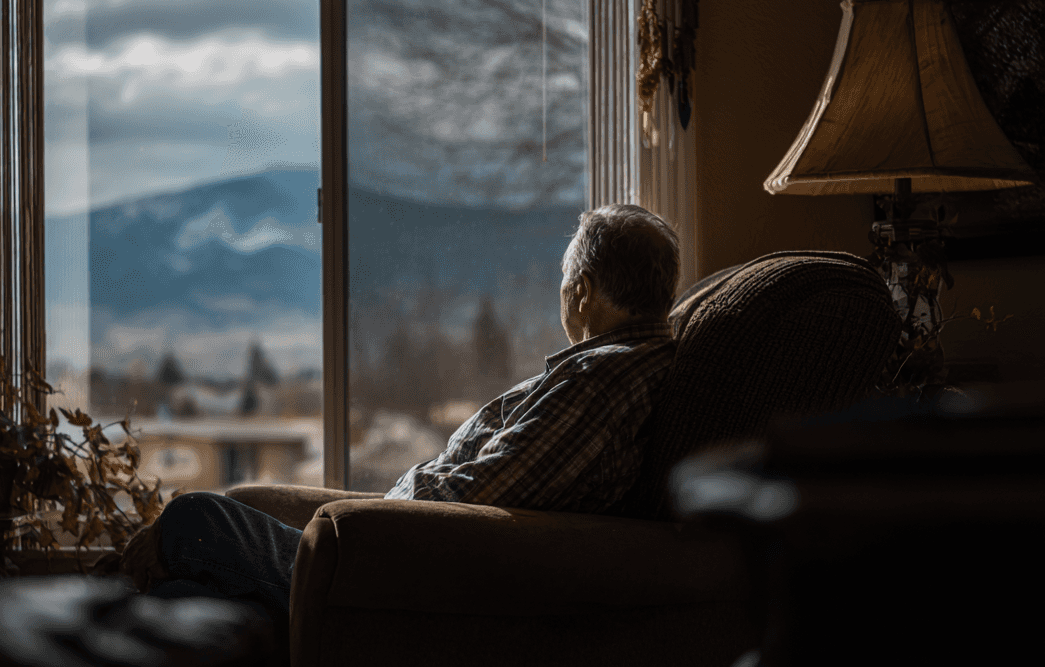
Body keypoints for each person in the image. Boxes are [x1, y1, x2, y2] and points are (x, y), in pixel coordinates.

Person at [116, 203, 680, 637]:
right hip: (397, 542)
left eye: (563, 282)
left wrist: (381, 514)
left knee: (194, 519)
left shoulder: (598, 379)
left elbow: (479, 495)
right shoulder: (627, 368)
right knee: (193, 591)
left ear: (581, 293)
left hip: (400, 564)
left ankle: (87, 617)